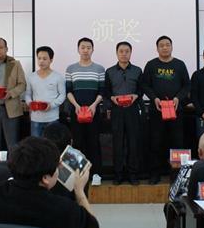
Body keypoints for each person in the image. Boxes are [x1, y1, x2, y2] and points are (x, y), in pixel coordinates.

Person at [142, 36, 191, 184]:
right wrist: (154, 98)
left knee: (177, 142)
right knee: (156, 142)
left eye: (167, 45)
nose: (164, 47)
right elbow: (145, 85)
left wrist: (178, 98)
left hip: (176, 110)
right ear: (157, 48)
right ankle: (155, 173)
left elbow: (187, 86)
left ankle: (177, 175)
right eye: (161, 45)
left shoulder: (179, 64)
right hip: (157, 110)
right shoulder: (151, 65)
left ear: (172, 47)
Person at [65, 37, 105, 185]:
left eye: (88, 47)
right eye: (83, 47)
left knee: (94, 142)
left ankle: (96, 174)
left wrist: (94, 105)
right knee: (77, 142)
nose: (86, 50)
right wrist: (76, 105)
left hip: (93, 112)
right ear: (78, 49)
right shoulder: (71, 69)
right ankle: (78, 175)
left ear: (93, 50)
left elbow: (102, 91)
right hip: (76, 111)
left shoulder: (99, 69)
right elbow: (68, 91)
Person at [104, 41, 143, 185]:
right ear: (117, 53)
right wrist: (112, 99)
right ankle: (118, 174)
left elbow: (141, 89)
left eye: (127, 51)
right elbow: (106, 91)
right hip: (117, 110)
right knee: (117, 143)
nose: (124, 54)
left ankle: (133, 174)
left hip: (132, 110)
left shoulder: (137, 70)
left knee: (133, 143)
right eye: (121, 51)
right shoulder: (109, 71)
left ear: (131, 53)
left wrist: (136, 95)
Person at [24, 46, 66, 137]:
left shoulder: (58, 77)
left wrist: (51, 105)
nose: (41, 61)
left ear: (51, 60)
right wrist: (30, 104)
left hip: (52, 118)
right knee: (36, 144)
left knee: (52, 143)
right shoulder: (31, 77)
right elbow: (27, 94)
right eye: (39, 58)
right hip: (36, 118)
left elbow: (62, 95)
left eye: (44, 59)